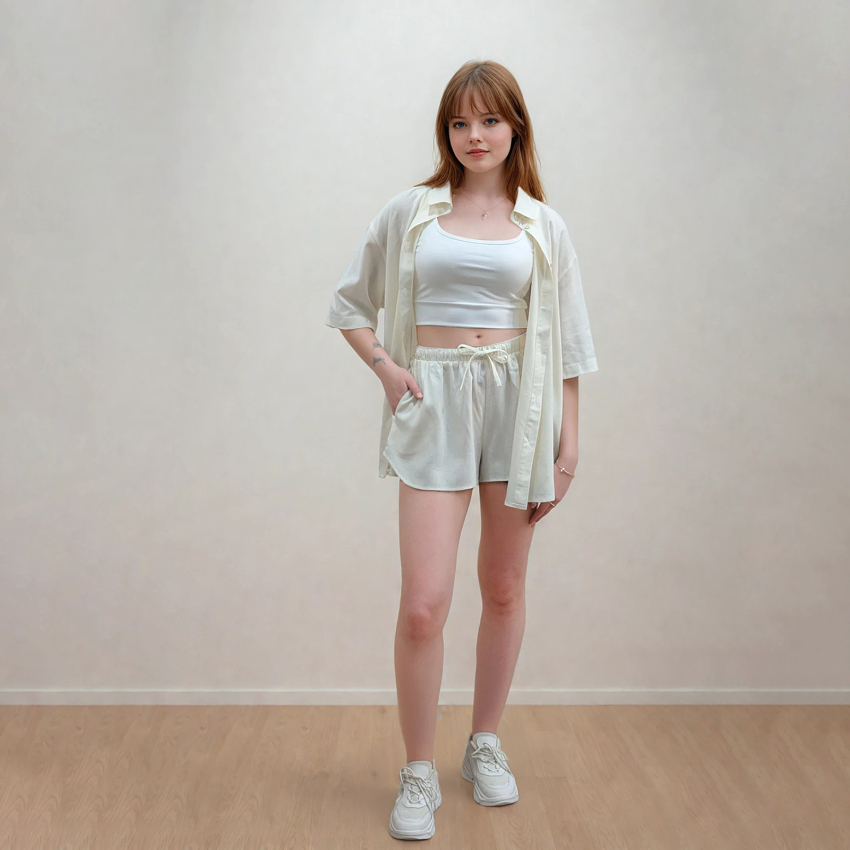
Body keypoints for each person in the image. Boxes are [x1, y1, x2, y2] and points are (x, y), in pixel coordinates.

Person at [325, 59, 598, 840]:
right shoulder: (411, 212)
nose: (474, 135)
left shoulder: (544, 226)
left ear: (515, 127)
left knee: (503, 588)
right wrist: (388, 370)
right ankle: (418, 770)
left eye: (489, 120)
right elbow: (350, 304)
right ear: (445, 132)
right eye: (459, 122)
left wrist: (567, 453)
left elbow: (569, 348)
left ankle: (484, 743)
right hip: (435, 403)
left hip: (519, 409)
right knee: (424, 604)